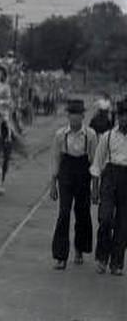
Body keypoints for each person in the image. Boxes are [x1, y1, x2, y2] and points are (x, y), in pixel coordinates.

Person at [50, 99, 97, 269]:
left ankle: (79, 248)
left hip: (83, 172)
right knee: (64, 212)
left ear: (83, 116)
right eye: (71, 115)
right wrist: (53, 184)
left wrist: (94, 188)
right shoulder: (60, 135)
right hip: (66, 173)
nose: (74, 118)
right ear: (68, 116)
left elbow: (94, 162)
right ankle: (61, 256)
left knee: (82, 212)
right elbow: (56, 160)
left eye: (78, 115)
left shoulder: (90, 135)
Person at [91, 100, 127, 275]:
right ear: (117, 117)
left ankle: (117, 263)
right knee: (105, 218)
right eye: (121, 115)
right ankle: (102, 258)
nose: (124, 118)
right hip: (110, 177)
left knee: (123, 224)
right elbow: (97, 164)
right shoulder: (108, 136)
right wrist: (95, 189)